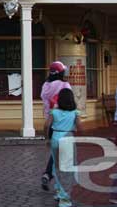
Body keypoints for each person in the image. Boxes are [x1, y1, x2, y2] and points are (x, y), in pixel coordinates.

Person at [45, 88, 82, 207]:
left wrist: (47, 138)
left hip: (56, 136)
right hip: (68, 137)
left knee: (56, 166)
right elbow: (80, 127)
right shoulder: (75, 113)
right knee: (67, 168)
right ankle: (64, 198)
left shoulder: (54, 112)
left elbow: (46, 125)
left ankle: (58, 191)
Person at [41, 61, 72, 191]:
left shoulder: (46, 85)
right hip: (63, 122)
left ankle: (48, 174)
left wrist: (46, 137)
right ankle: (56, 181)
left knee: (56, 152)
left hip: (50, 121)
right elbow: (70, 102)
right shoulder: (65, 85)